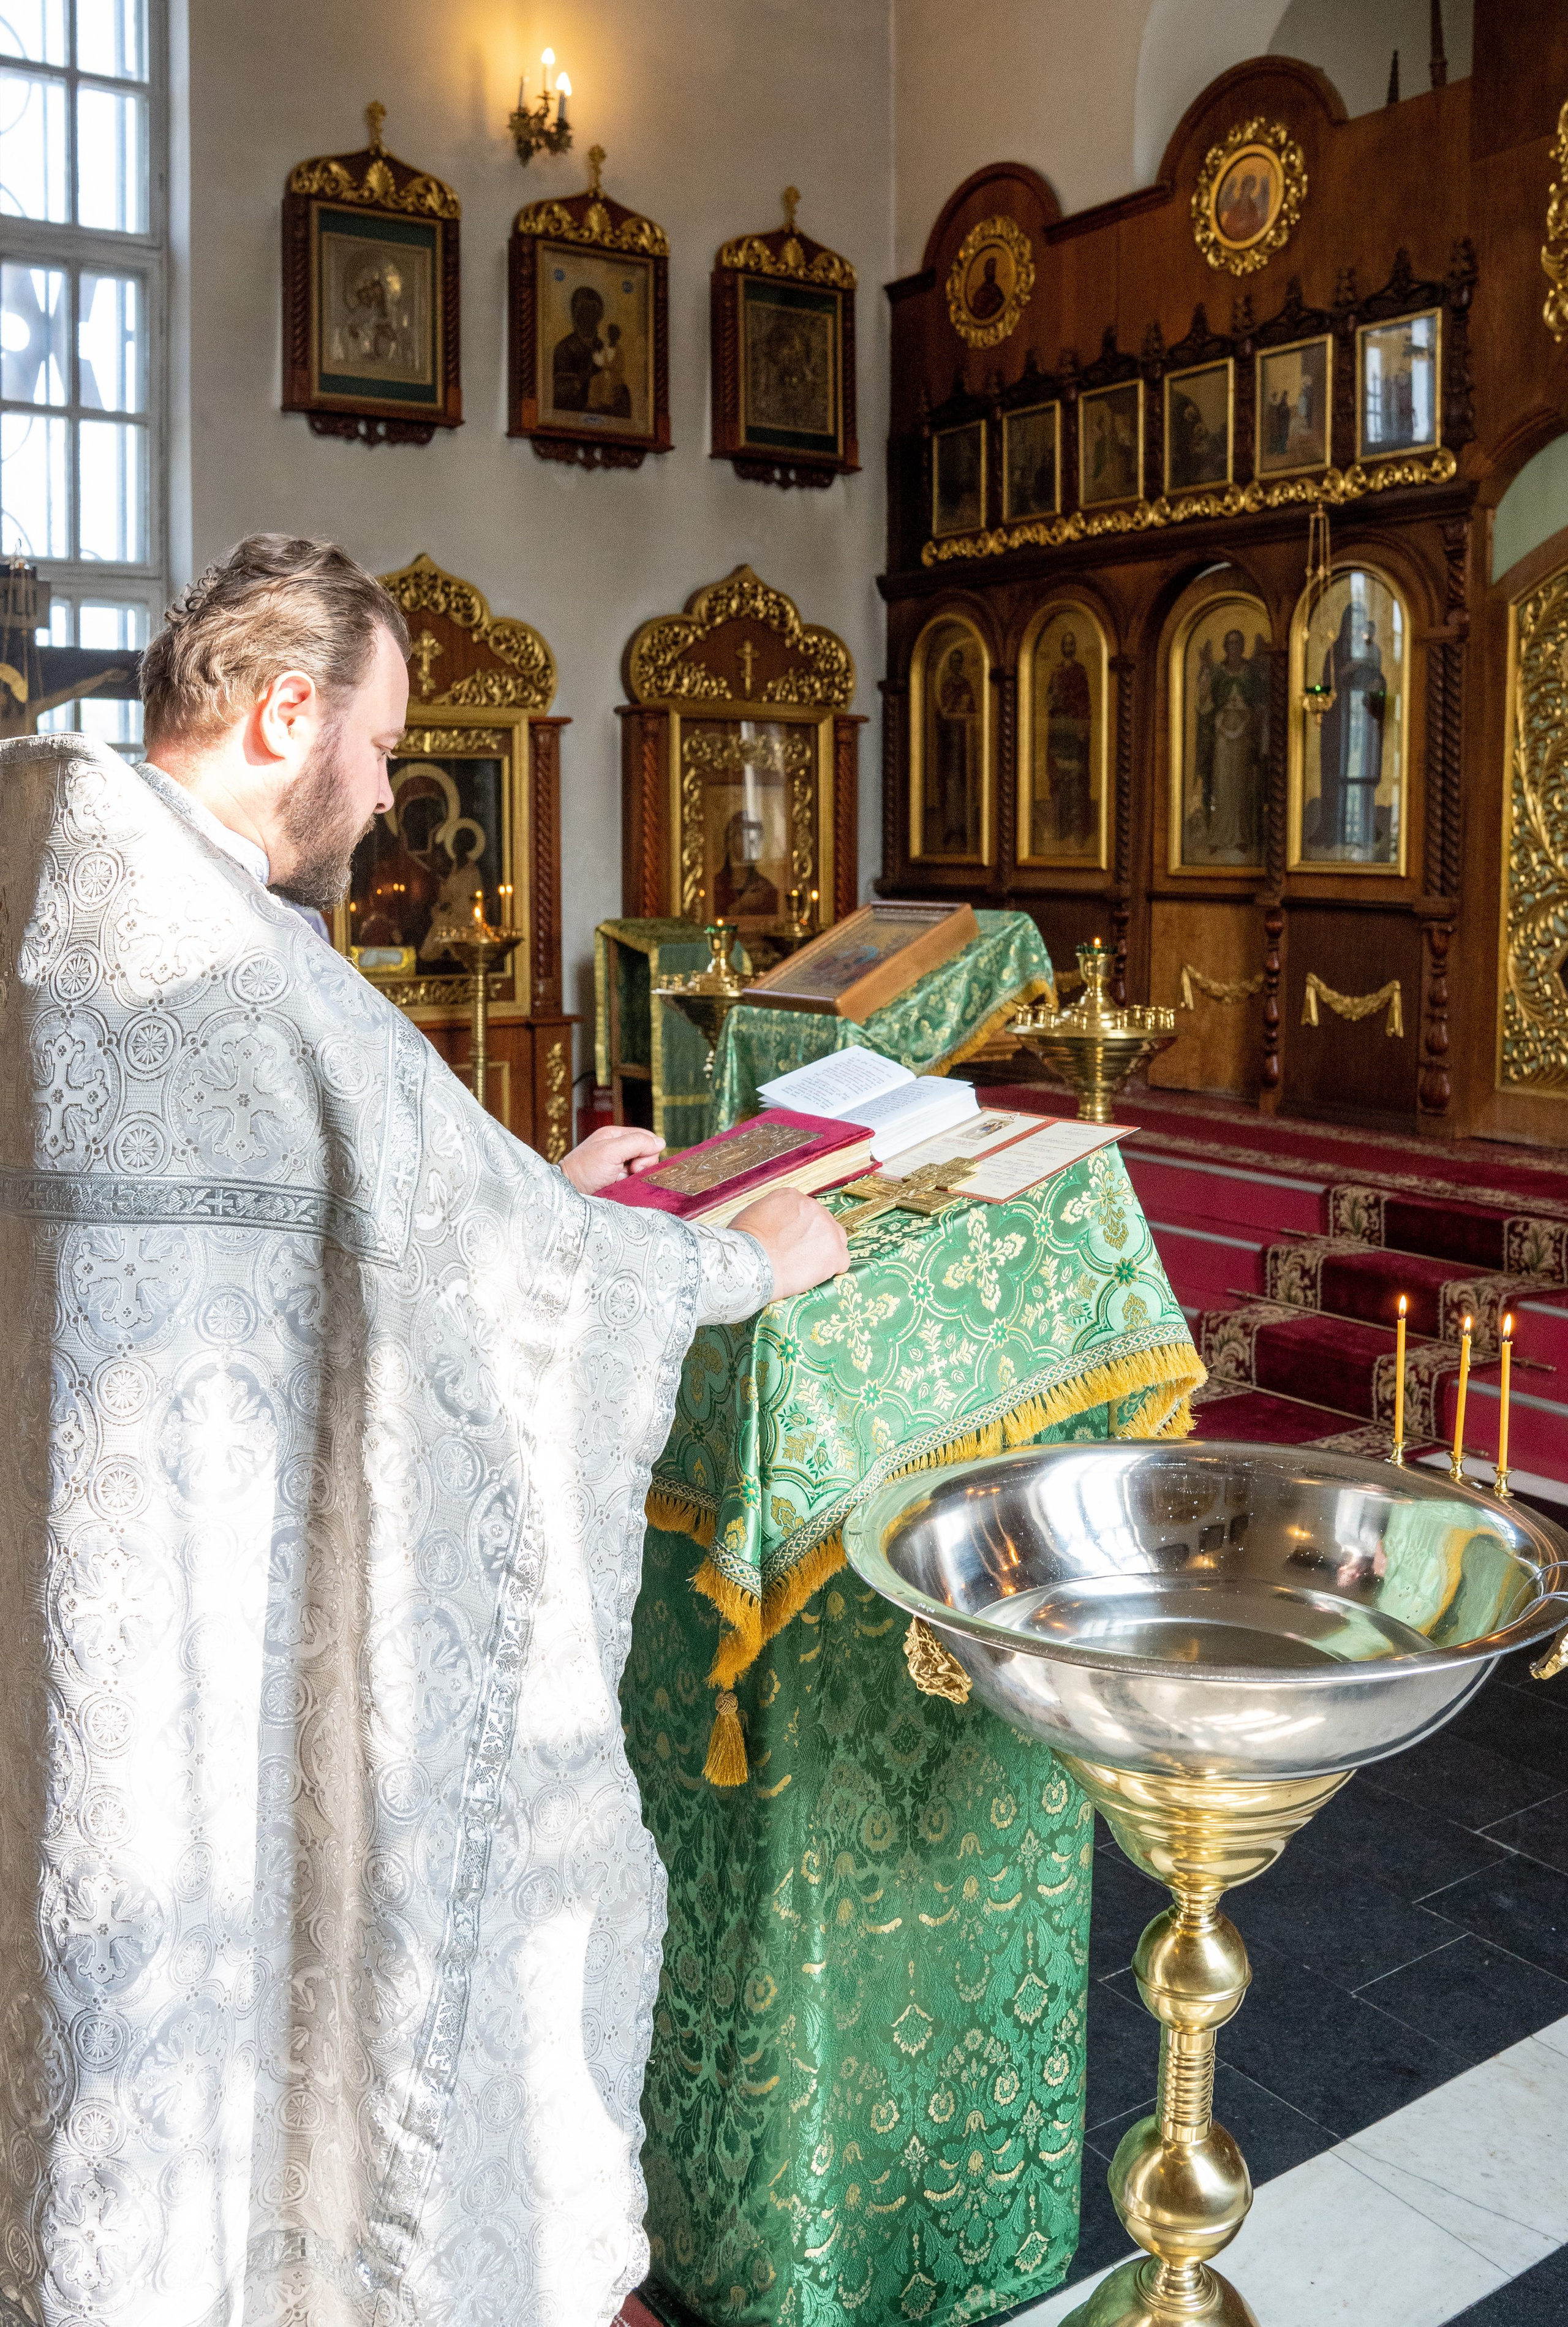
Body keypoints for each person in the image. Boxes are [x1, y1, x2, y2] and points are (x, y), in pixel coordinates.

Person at [0, 534, 848, 2327]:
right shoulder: (232, 954)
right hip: (192, 1662)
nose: (390, 800)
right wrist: (732, 1263)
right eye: (380, 748)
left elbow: (319, 1238)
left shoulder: (44, 869)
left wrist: (533, 1179)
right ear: (283, 710)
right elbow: (515, 1278)